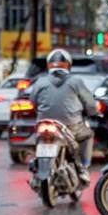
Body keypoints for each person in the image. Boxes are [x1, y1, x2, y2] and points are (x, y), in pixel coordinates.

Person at [29, 48, 97, 184]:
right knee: (88, 135)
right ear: (68, 65)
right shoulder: (76, 81)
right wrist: (92, 112)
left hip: (44, 123)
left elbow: (33, 102)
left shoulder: (40, 81)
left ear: (49, 65)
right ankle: (83, 168)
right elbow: (90, 104)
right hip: (71, 126)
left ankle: (36, 168)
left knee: (37, 139)